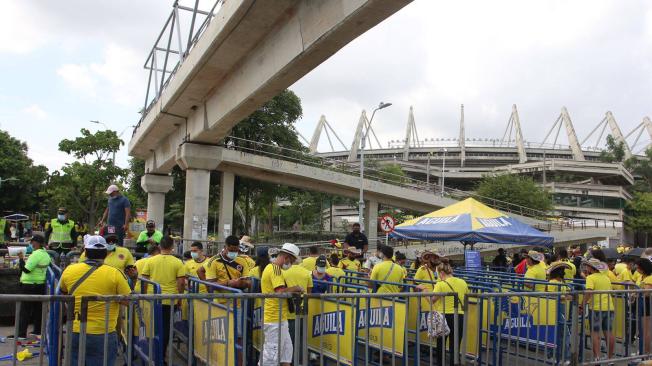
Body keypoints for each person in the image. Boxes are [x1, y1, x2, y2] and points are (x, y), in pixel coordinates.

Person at [59, 236, 131, 365]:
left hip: (75, 330)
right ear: (105, 253)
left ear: (85, 252)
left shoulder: (69, 270)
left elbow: (63, 293)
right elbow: (127, 300)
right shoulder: (115, 273)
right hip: (103, 332)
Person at [259, 243, 303, 366]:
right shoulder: (275, 269)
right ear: (287, 257)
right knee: (270, 358)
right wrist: (296, 288)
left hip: (280, 318)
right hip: (274, 319)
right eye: (292, 261)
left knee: (286, 353)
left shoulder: (272, 268)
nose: (292, 264)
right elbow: (280, 292)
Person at [141, 236, 186, 357]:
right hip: (169, 300)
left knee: (151, 327)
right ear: (172, 247)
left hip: (153, 299)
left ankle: (151, 354)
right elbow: (181, 282)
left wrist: (144, 296)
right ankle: (161, 355)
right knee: (165, 329)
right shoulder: (178, 262)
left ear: (160, 246)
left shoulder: (150, 261)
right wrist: (180, 298)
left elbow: (144, 280)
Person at [432, 259, 468, 366]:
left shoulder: (440, 284)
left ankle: (440, 363)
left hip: (443, 316)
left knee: (441, 344)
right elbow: (466, 301)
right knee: (455, 345)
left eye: (438, 274)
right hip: (459, 316)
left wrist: (424, 291)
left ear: (442, 273)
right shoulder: (463, 282)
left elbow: (432, 300)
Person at [14, 234, 51, 339]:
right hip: (40, 285)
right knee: (37, 309)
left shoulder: (35, 255)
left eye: (33, 242)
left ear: (37, 243)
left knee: (24, 310)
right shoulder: (46, 255)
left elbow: (26, 270)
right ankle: (37, 331)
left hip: (29, 285)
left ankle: (21, 334)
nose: (31, 244)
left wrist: (21, 259)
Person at [581, 258, 615, 361]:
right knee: (609, 333)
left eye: (587, 266)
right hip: (609, 307)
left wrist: (582, 304)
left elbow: (589, 292)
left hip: (596, 308)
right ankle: (610, 358)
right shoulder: (606, 277)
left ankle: (597, 358)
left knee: (595, 333)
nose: (586, 267)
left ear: (591, 267)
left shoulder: (590, 278)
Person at [282, 253, 312, 349]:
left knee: (289, 339)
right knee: (302, 338)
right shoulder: (307, 273)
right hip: (303, 309)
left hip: (289, 310)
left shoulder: (284, 272)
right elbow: (309, 292)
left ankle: (289, 361)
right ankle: (301, 359)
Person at [636, 257, 652, 353]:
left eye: (638, 267)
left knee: (646, 331)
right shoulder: (642, 277)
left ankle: (646, 353)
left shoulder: (650, 278)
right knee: (643, 331)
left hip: (647, 304)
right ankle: (643, 352)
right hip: (642, 304)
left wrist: (637, 292)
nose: (636, 269)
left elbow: (646, 293)